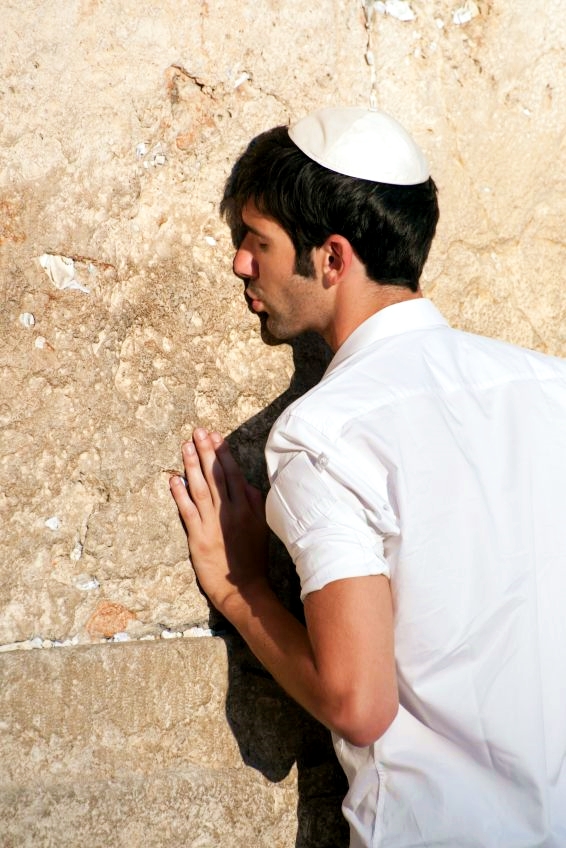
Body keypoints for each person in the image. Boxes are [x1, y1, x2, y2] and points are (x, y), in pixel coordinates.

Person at [170, 107, 566, 847]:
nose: (239, 265)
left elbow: (358, 704)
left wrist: (240, 587)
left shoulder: (323, 436)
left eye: (258, 243)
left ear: (333, 257)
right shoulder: (551, 390)